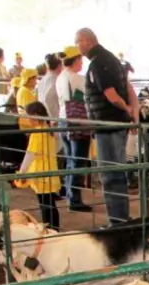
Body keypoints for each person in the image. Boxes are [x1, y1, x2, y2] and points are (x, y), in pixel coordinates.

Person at [76, 27, 135, 223]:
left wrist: (126, 108)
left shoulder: (99, 63)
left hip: (107, 125)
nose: (78, 48)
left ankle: (117, 220)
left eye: (78, 42)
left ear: (87, 41)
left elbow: (111, 94)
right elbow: (127, 87)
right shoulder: (110, 60)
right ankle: (120, 217)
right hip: (113, 124)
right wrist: (131, 112)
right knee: (115, 172)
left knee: (111, 174)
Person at [15, 101, 62, 230]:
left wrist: (22, 172)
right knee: (50, 204)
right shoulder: (50, 130)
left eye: (29, 116)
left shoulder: (37, 133)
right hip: (50, 171)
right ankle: (54, 228)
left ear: (36, 115)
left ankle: (51, 229)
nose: (28, 120)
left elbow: (30, 154)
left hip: (41, 174)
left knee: (45, 205)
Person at [56, 45, 92, 212]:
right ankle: (75, 199)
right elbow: (89, 96)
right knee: (78, 161)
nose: (82, 63)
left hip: (63, 120)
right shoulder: (76, 78)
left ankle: (70, 194)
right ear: (75, 60)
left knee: (71, 160)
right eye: (80, 60)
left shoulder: (60, 77)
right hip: (77, 122)